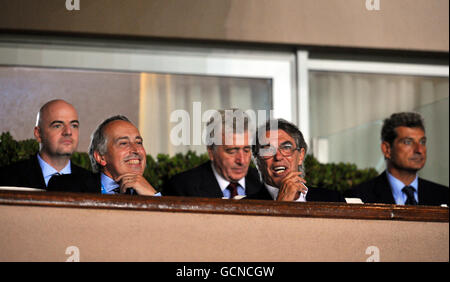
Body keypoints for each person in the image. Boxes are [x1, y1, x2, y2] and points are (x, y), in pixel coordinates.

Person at [345, 112, 448, 206]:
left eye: (422, 142)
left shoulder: (445, 196)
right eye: (408, 142)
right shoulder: (360, 197)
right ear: (387, 149)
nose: (419, 150)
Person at [0, 99, 99, 193]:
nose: (68, 132)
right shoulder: (6, 178)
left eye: (74, 125)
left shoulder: (95, 185)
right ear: (38, 134)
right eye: (57, 125)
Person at [162, 109, 262, 199]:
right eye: (232, 151)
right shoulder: (182, 188)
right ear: (211, 151)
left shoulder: (264, 183)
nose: (242, 161)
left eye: (246, 150)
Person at [247, 118, 344, 202]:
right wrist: (280, 205)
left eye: (286, 147)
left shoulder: (333, 199)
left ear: (301, 156)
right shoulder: (245, 207)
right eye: (268, 149)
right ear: (257, 161)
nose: (278, 157)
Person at [89, 115, 160, 196]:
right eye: (124, 143)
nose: (136, 150)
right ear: (100, 157)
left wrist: (154, 198)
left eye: (138, 142)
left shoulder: (155, 191)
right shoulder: (76, 189)